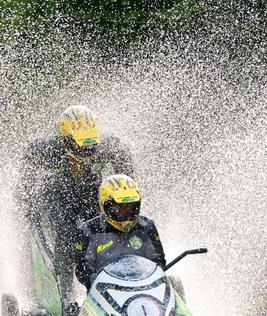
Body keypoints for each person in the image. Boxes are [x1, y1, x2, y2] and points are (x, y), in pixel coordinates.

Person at [19, 105, 133, 299]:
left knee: (105, 232)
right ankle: (66, 296)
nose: (85, 152)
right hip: (57, 194)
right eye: (79, 146)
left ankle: (112, 287)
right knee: (67, 237)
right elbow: (26, 167)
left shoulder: (108, 146)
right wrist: (27, 202)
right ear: (65, 140)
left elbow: (124, 160)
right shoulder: (46, 149)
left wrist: (124, 186)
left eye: (91, 147)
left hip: (90, 190)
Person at [75, 174, 166, 290]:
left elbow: (158, 261)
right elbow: (82, 267)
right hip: (104, 292)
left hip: (144, 289)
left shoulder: (147, 227)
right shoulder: (89, 230)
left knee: (174, 281)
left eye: (130, 206)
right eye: (119, 207)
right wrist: (93, 278)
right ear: (106, 205)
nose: (125, 211)